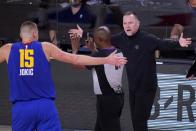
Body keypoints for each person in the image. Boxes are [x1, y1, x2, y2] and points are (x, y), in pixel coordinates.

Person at [69, 11, 192, 131]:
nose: (127, 26)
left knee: (139, 123)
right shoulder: (121, 38)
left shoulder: (147, 39)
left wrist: (178, 42)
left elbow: (163, 44)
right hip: (133, 89)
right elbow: (102, 38)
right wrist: (84, 34)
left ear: (138, 24)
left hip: (146, 89)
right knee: (136, 122)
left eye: (130, 23)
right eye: (125, 23)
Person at [0, 21, 127, 131]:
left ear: (21, 34)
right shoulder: (46, 47)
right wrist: (106, 60)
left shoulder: (7, 49)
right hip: (45, 106)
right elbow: (75, 59)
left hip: (21, 107)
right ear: (34, 34)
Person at [70, 26, 124, 131]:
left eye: (94, 39)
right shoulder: (118, 52)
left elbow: (76, 65)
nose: (93, 41)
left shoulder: (99, 56)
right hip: (117, 98)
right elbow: (101, 59)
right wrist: (93, 49)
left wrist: (75, 48)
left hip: (107, 100)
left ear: (98, 40)